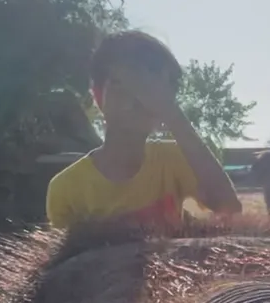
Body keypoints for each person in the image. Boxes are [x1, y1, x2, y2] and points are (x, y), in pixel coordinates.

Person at [46, 30, 241, 231]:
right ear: (97, 95)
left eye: (151, 89)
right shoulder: (66, 189)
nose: (137, 98)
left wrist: (172, 114)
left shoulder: (174, 157)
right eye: (122, 84)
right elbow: (68, 260)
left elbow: (229, 208)